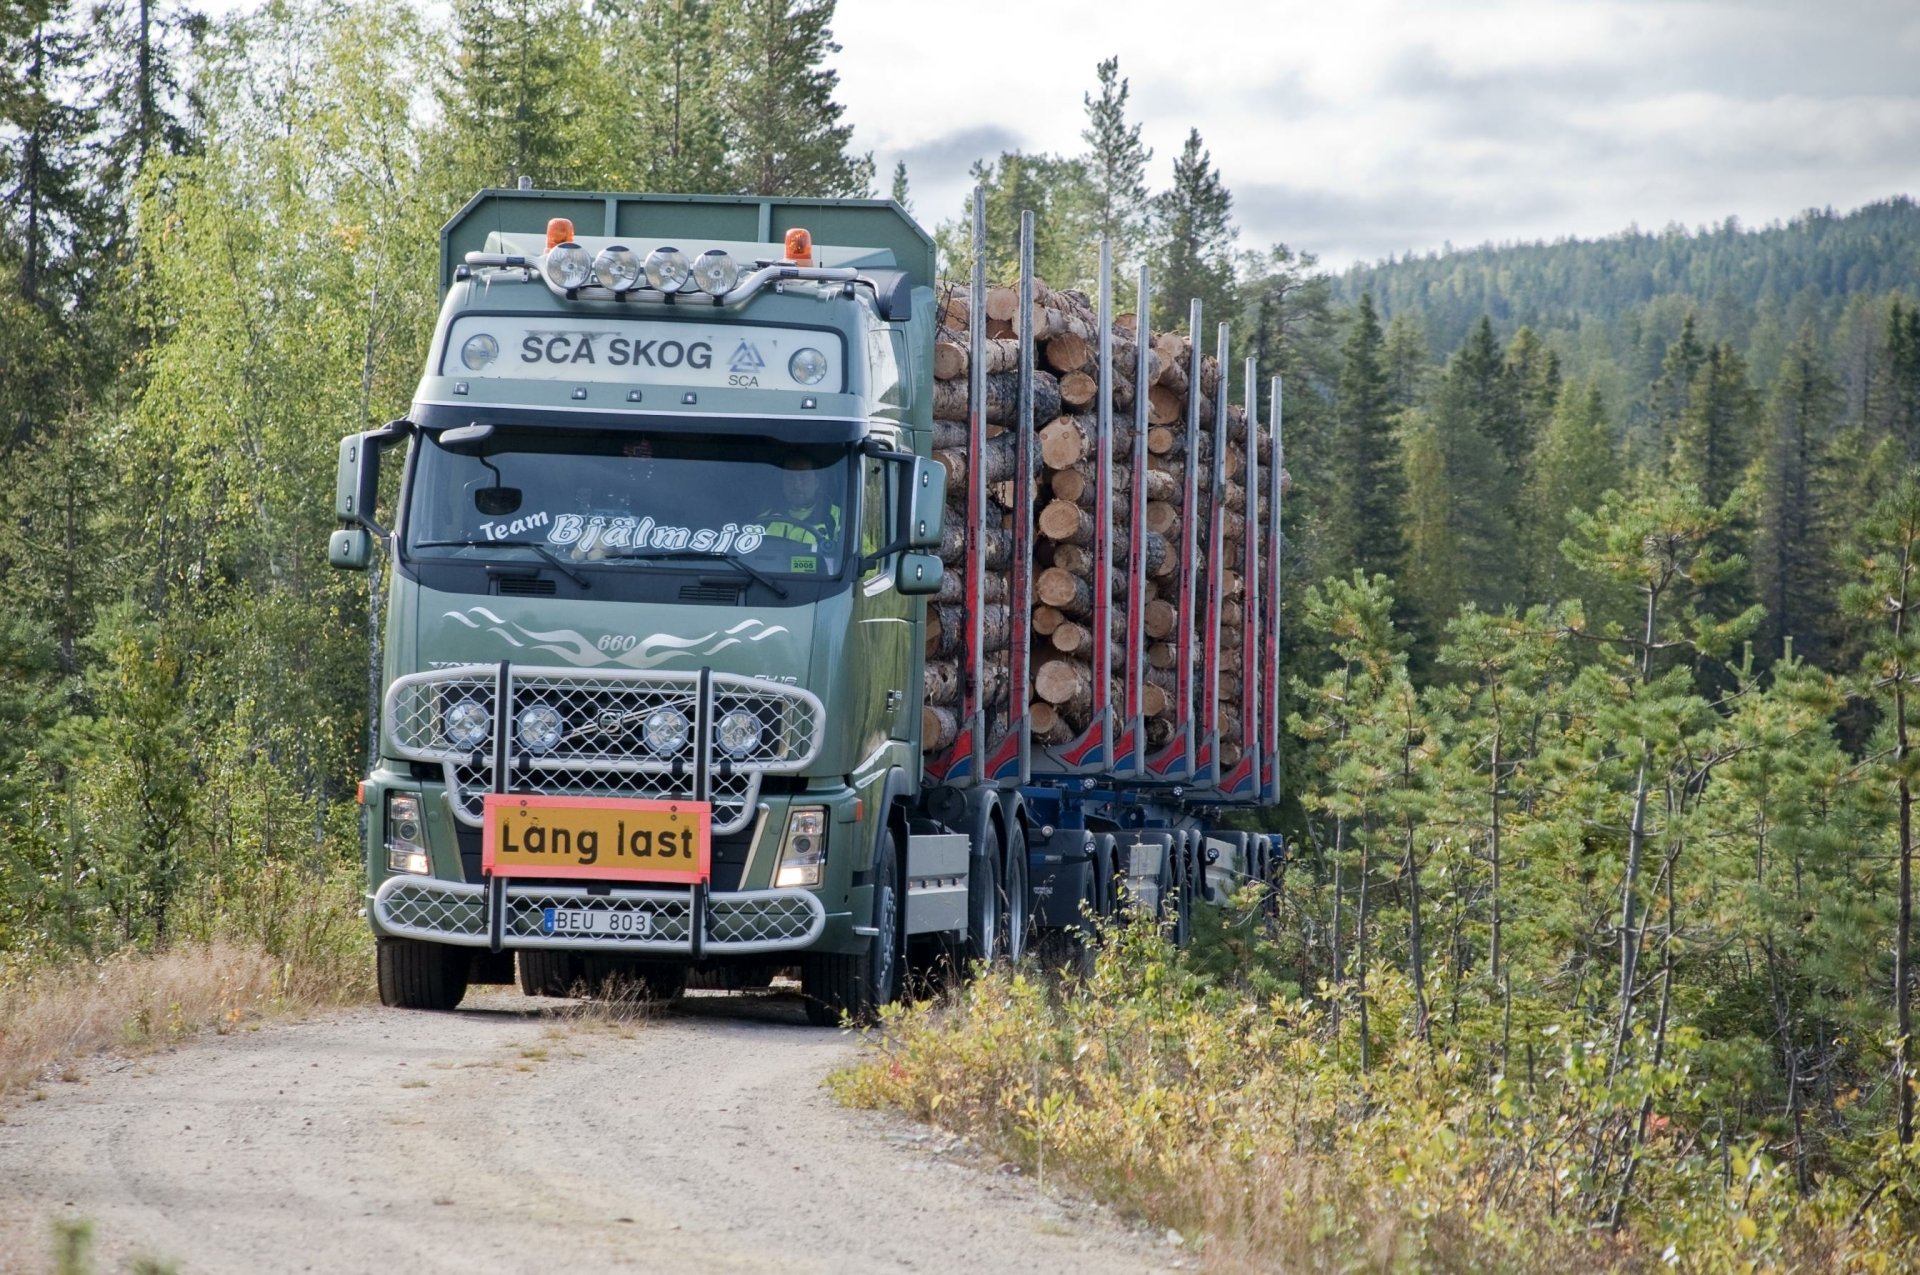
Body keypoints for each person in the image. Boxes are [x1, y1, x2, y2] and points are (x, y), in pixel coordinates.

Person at [759, 455, 842, 559]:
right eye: (789, 478)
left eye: (804, 477)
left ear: (816, 482)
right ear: (782, 483)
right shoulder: (762, 521)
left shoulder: (840, 519)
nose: (797, 485)